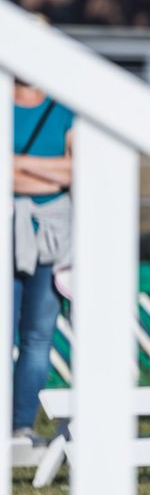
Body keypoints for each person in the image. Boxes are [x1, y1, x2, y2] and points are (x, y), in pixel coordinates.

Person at [12, 72, 74, 445]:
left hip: (52, 235)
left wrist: (17, 164)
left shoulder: (63, 107)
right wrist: (51, 176)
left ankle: (21, 426)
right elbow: (62, 173)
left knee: (38, 336)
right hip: (12, 222)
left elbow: (75, 170)